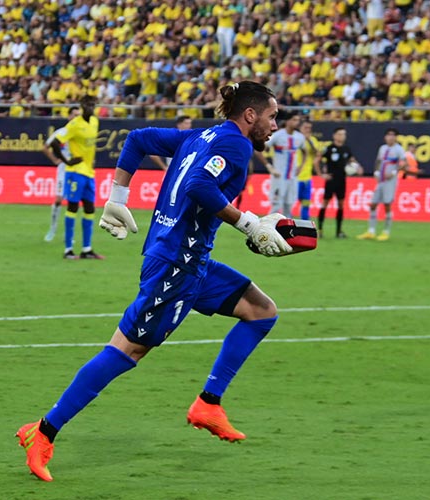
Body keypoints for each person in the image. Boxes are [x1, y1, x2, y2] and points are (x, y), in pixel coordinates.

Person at [16, 81, 293, 482]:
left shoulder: (201, 135)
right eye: (272, 116)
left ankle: (209, 404)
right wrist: (247, 223)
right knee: (127, 351)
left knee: (261, 312)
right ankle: (43, 431)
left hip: (187, 259)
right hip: (175, 267)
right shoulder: (237, 145)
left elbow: (138, 139)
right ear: (250, 115)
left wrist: (118, 195)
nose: (274, 125)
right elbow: (199, 186)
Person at [49, 95, 104, 259]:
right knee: (72, 207)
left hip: (89, 172)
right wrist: (67, 161)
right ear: (81, 106)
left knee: (89, 208)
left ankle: (86, 249)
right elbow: (54, 143)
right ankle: (68, 250)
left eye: (92, 104)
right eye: (87, 104)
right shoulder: (74, 124)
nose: (90, 107)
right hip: (75, 172)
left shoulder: (95, 122)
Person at [357, 128, 407, 241]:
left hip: (390, 181)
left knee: (387, 204)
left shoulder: (399, 149)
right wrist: (376, 172)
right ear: (385, 137)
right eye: (389, 135)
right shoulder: (383, 148)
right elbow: (379, 161)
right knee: (373, 204)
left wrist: (394, 172)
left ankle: (386, 231)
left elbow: (404, 163)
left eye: (393, 135)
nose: (391, 137)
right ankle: (371, 231)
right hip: (381, 180)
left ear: (396, 137)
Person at [42, 106, 80, 242]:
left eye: (78, 115)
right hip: (64, 170)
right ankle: (52, 229)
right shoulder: (61, 133)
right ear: (69, 116)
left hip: (77, 170)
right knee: (58, 200)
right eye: (74, 115)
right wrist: (55, 160)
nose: (77, 117)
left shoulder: (80, 133)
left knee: (73, 202)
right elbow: (45, 147)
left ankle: (69, 234)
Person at [316, 127, 361, 239]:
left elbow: (353, 161)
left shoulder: (346, 149)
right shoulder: (329, 148)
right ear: (334, 136)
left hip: (342, 180)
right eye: (340, 134)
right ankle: (320, 230)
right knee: (325, 203)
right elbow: (316, 160)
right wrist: (321, 174)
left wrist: (358, 168)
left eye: (344, 134)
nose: (342, 136)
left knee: (341, 205)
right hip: (331, 180)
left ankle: (339, 231)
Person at [259, 111, 305, 217]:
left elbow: (304, 152)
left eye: (298, 120)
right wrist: (269, 166)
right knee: (276, 205)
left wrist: (300, 167)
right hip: (279, 176)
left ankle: (285, 231)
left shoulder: (300, 137)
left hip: (292, 177)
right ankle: (267, 229)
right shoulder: (278, 136)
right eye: (294, 120)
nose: (297, 122)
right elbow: (259, 149)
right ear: (287, 121)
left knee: (289, 205)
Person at [296, 120, 320, 220]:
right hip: (294, 177)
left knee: (306, 203)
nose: (308, 130)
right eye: (305, 127)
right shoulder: (295, 138)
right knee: (289, 203)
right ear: (300, 128)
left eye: (309, 128)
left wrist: (308, 140)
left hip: (307, 177)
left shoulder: (312, 140)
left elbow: (316, 152)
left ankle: (304, 226)